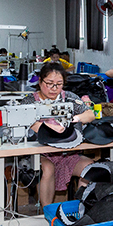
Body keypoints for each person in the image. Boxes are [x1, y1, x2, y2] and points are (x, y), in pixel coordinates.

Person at [21, 63, 95, 208]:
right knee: (47, 169)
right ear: (40, 81)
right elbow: (27, 121)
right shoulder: (29, 101)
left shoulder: (69, 98)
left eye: (59, 84)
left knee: (89, 168)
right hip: (40, 155)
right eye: (49, 84)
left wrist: (75, 119)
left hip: (67, 154)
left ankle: (79, 209)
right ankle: (48, 212)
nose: (54, 88)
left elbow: (90, 114)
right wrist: (49, 128)